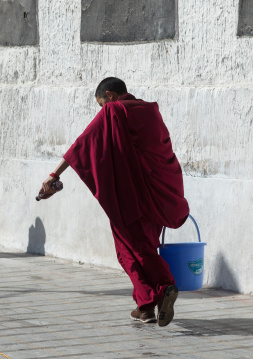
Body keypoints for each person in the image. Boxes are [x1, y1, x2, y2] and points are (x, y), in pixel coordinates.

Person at [39, 77, 189, 326]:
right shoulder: (150, 111)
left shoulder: (114, 110)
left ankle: (165, 287)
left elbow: (83, 144)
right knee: (141, 247)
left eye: (100, 104)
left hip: (131, 196)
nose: (101, 111)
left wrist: (54, 175)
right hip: (159, 194)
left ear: (109, 95)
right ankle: (145, 307)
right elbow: (161, 153)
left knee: (133, 251)